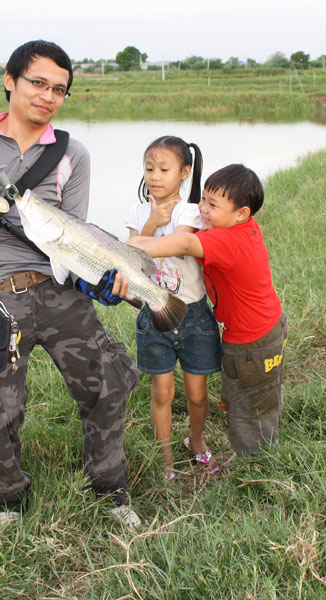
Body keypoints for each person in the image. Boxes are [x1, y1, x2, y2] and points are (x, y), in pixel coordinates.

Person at [0, 40, 140, 527]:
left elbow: (75, 236)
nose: (47, 96)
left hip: (58, 290)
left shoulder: (74, 154)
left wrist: (96, 280)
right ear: (9, 81)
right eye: (37, 83)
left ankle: (109, 487)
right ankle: (7, 501)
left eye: (59, 89)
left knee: (110, 380)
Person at [127, 164, 286, 459]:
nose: (202, 208)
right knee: (262, 393)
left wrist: (135, 244)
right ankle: (262, 443)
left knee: (243, 399)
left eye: (213, 204)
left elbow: (186, 242)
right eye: (203, 199)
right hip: (267, 327)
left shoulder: (227, 240)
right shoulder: (242, 229)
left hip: (250, 340)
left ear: (242, 213)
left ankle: (253, 458)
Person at [124, 136, 222, 480]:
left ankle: (195, 440)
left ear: (184, 172)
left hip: (193, 315)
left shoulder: (191, 211)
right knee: (162, 392)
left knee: (197, 394)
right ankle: (165, 457)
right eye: (149, 169)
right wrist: (150, 222)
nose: (155, 176)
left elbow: (169, 244)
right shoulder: (137, 213)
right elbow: (128, 262)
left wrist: (142, 239)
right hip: (154, 314)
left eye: (164, 169)